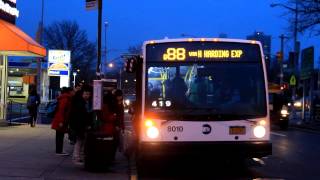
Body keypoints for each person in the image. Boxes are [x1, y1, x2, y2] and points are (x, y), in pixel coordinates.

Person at [69, 85, 93, 165]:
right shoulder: (80, 103)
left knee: (81, 141)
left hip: (82, 125)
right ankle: (76, 158)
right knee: (79, 141)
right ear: (82, 94)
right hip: (79, 125)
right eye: (85, 94)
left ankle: (79, 157)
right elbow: (80, 115)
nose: (87, 96)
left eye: (88, 94)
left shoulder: (85, 102)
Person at [51, 87, 73, 155]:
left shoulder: (64, 98)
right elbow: (61, 110)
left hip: (59, 119)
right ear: (69, 92)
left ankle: (59, 150)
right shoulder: (65, 99)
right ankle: (59, 151)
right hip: (61, 120)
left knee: (59, 135)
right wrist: (61, 121)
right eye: (73, 91)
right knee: (60, 135)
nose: (73, 93)